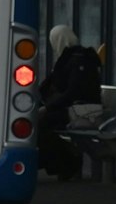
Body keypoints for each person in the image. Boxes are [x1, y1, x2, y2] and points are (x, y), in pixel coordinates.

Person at [39, 24, 104, 179]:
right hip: (76, 109)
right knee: (41, 123)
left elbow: (73, 91)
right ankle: (62, 161)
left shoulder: (78, 60)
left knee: (42, 124)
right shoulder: (69, 58)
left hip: (85, 111)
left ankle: (67, 162)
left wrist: (47, 108)